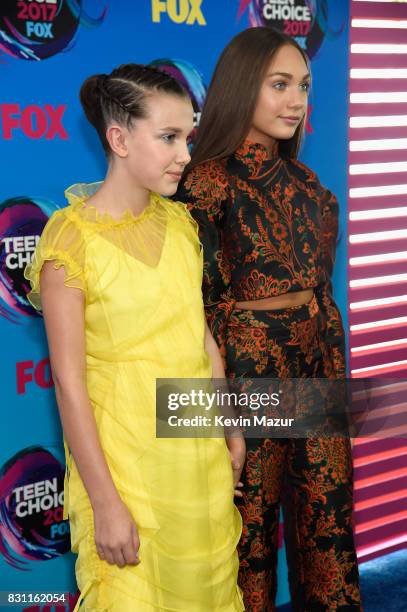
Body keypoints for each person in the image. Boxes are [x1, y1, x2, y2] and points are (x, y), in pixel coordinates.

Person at [25, 63, 245, 611]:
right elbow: (69, 384)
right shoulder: (69, 242)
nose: (185, 156)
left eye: (187, 138)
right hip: (125, 470)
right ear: (119, 138)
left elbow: (204, 343)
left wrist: (227, 432)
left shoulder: (181, 225)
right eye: (168, 137)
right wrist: (105, 504)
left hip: (194, 463)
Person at [176, 28, 362, 611]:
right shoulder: (205, 181)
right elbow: (194, 305)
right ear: (239, 89)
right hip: (245, 368)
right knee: (247, 529)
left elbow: (322, 290)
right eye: (278, 84)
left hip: (315, 356)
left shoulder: (312, 185)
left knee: (326, 516)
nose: (296, 100)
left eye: (303, 86)